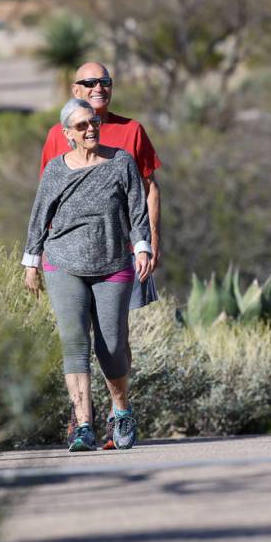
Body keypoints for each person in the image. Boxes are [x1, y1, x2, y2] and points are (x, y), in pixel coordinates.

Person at [39, 62, 162, 446]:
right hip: (69, 254)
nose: (98, 88)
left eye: (104, 82)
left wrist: (149, 240)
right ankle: (83, 422)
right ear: (74, 87)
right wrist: (41, 252)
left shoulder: (131, 131)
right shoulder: (58, 134)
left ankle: (118, 414)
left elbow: (149, 188)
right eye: (89, 82)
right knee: (75, 337)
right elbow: (49, 194)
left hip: (121, 252)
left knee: (115, 339)